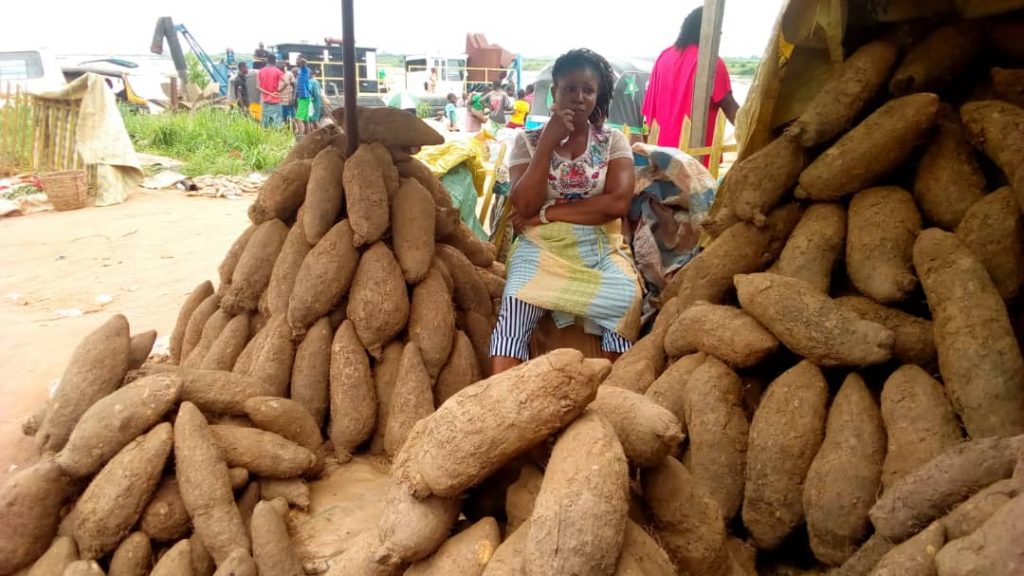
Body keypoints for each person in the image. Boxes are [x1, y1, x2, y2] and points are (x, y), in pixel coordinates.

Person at [489, 48, 642, 375]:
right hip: (541, 248)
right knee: (516, 301)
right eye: (569, 88)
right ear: (553, 91)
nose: (579, 97)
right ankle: (498, 397)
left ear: (597, 94)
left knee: (627, 296)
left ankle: (614, 391)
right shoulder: (527, 142)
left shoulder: (613, 141)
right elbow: (524, 205)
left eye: (588, 90)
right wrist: (547, 143)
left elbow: (616, 204)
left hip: (599, 246)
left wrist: (548, 213)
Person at [642, 7, 739, 161]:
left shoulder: (663, 58)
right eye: (718, 31)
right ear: (707, 31)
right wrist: (754, 135)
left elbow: (648, 113)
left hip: (662, 159)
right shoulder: (711, 63)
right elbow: (730, 108)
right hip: (695, 161)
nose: (720, 35)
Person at [257, 54, 284, 127]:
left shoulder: (261, 71)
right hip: (276, 102)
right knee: (277, 125)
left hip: (265, 102)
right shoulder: (278, 71)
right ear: (275, 61)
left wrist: (269, 93)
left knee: (265, 125)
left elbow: (257, 86)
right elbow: (287, 82)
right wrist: (279, 91)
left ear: (267, 61)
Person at [294, 56, 312, 137]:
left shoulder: (305, 70)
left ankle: (301, 136)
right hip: (303, 98)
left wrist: (300, 59)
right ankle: (308, 135)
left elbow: (304, 62)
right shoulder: (301, 71)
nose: (296, 62)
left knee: (298, 118)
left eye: (297, 60)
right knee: (305, 119)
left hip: (304, 97)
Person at [279, 61, 297, 128]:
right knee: (282, 120)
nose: (283, 70)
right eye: (281, 69)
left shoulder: (289, 74)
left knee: (291, 120)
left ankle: (294, 135)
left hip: (289, 101)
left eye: (283, 68)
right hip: (279, 102)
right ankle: (286, 136)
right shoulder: (276, 75)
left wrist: (293, 98)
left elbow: (295, 86)